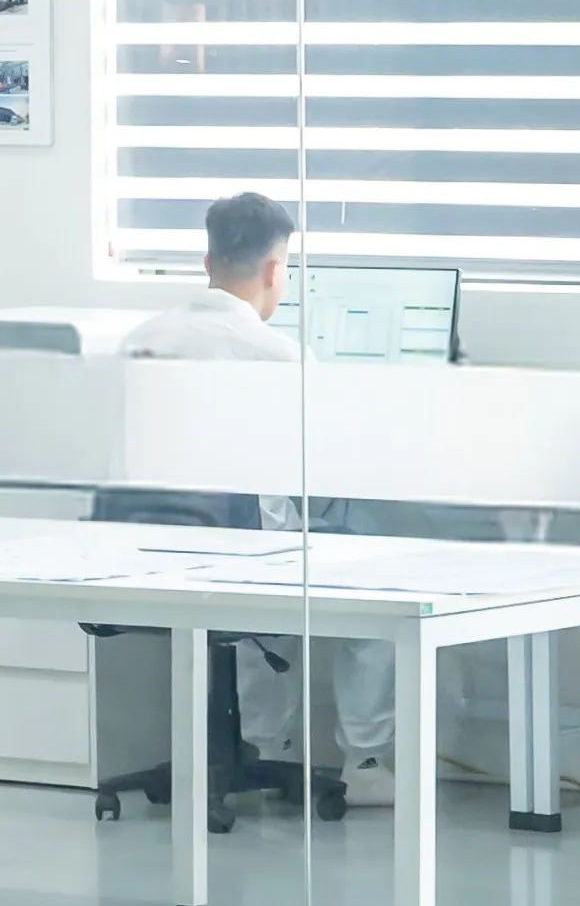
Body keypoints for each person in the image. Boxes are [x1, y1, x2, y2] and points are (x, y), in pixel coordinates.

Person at [118, 191, 400, 808]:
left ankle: (268, 745)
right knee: (374, 583)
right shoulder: (278, 356)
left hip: (138, 551)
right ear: (277, 270)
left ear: (207, 260)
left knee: (263, 568)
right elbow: (327, 465)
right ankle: (367, 762)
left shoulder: (138, 339)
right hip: (243, 556)